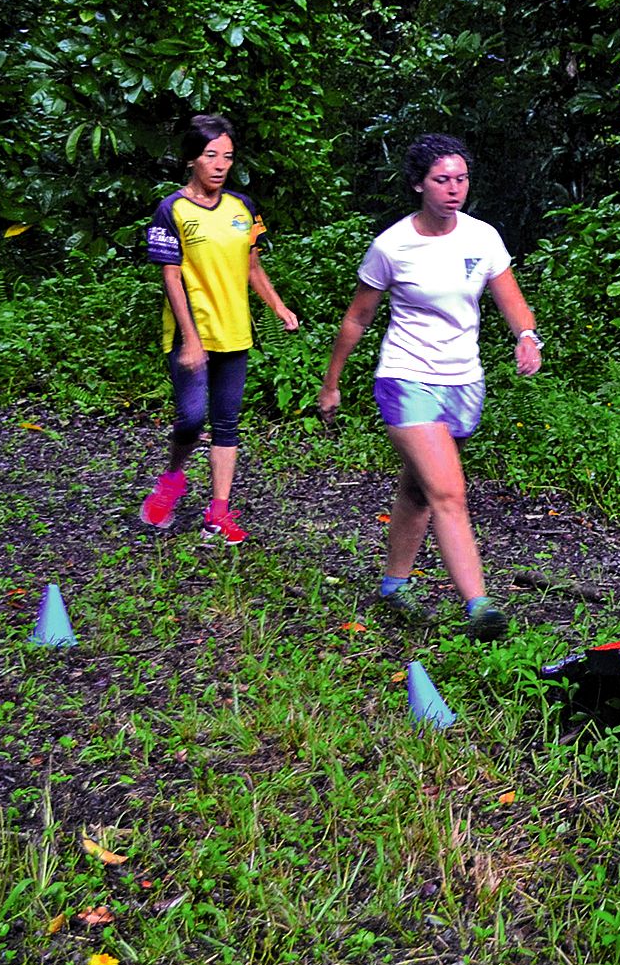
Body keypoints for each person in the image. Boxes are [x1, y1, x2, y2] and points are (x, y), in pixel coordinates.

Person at [317, 134, 543, 641]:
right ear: (419, 183)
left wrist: (527, 337)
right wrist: (332, 383)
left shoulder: (482, 238)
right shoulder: (392, 246)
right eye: (442, 180)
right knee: (448, 492)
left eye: (461, 179)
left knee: (418, 490)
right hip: (405, 375)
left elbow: (511, 299)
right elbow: (358, 317)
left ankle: (394, 584)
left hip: (463, 380)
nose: (454, 189)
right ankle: (478, 603)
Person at [139, 114, 300, 544]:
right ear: (193, 158)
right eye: (211, 155)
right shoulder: (171, 210)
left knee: (226, 423)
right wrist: (191, 339)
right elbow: (171, 277)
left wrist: (279, 306)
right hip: (191, 333)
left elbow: (253, 267)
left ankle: (218, 513)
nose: (220, 164)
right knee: (191, 419)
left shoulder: (242, 208)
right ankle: (171, 480)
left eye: (227, 157)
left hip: (234, 334)